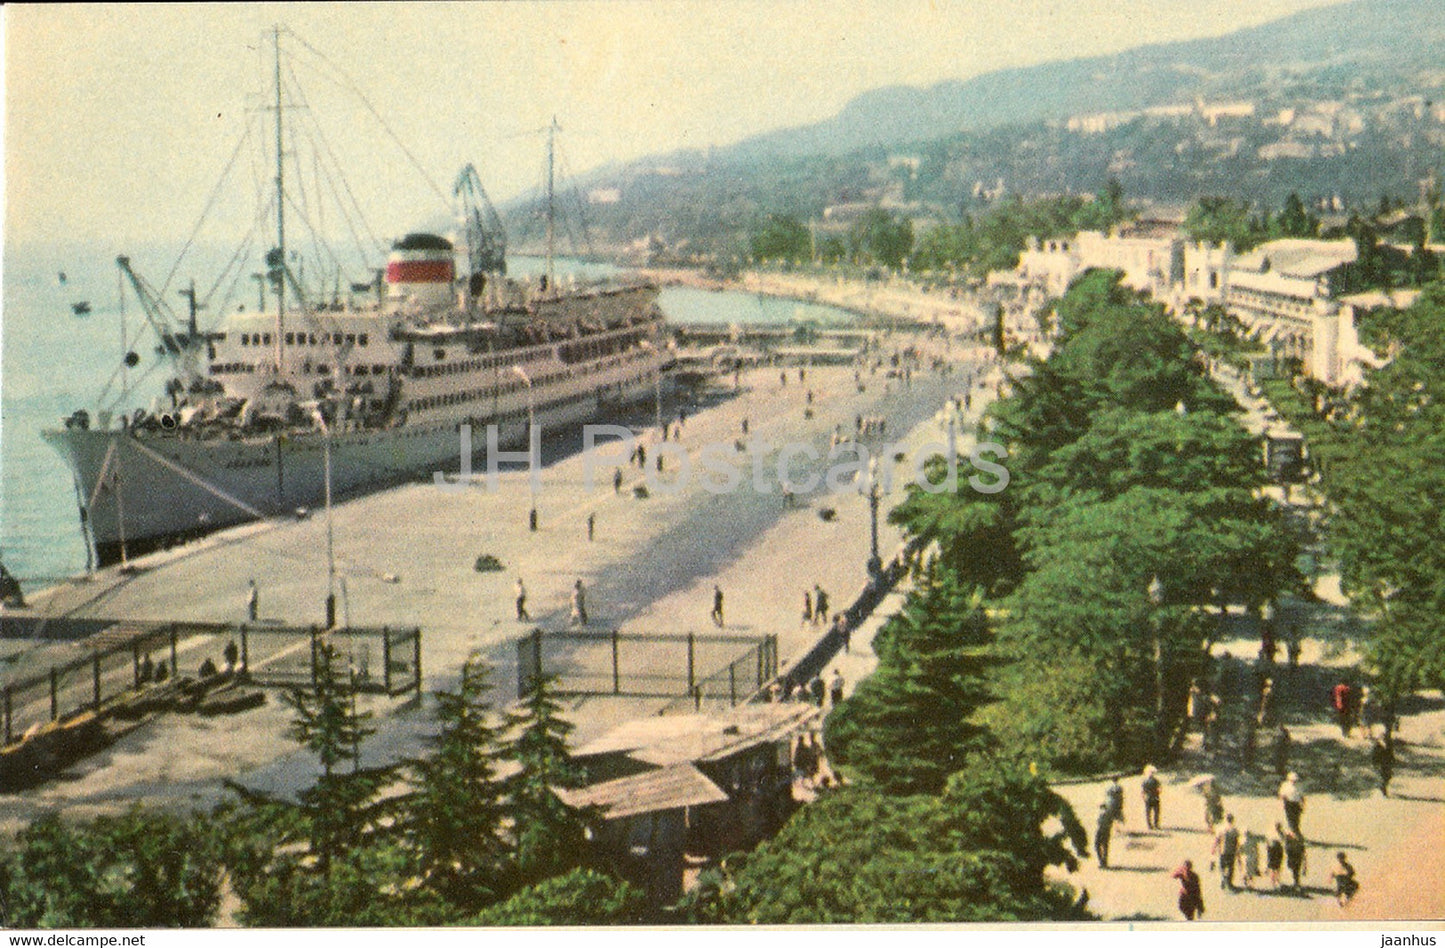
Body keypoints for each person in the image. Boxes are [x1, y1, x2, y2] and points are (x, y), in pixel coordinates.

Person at [1212, 814, 1240, 890]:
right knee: (1230, 867)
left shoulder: (1221, 828)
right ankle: (1229, 882)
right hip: (1231, 851)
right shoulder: (1234, 830)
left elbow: (1217, 839)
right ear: (1232, 820)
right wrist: (1237, 852)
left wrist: (1214, 848)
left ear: (1226, 819)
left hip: (1222, 851)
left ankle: (1223, 878)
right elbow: (1236, 842)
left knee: (1222, 867)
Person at [1283, 826, 1308, 890]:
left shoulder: (1291, 842)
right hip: (1296, 858)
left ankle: (1296, 883)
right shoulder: (1297, 841)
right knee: (1295, 871)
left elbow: (1288, 850)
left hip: (1295, 858)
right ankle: (1296, 883)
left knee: (1295, 871)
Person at [1141, 765, 1162, 830]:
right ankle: (1156, 824)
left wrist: (1144, 798)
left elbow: (1142, 791)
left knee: (1148, 813)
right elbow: (1160, 789)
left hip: (1148, 797)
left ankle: (1149, 825)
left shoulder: (1144, 781)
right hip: (1155, 797)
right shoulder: (1156, 780)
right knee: (1156, 812)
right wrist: (1157, 793)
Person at [1094, 804, 1114, 869]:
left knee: (1097, 846)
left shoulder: (1102, 814)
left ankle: (1102, 862)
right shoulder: (1108, 815)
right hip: (1106, 831)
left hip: (1101, 831)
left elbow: (1099, 823)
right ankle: (1104, 862)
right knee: (1105, 846)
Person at [1267, 824, 1286, 889]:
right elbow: (1268, 843)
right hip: (1274, 851)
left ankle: (1277, 881)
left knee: (1277, 868)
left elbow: (1284, 840)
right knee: (1274, 869)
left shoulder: (1281, 833)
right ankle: (1273, 882)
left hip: (1278, 851)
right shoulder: (1272, 833)